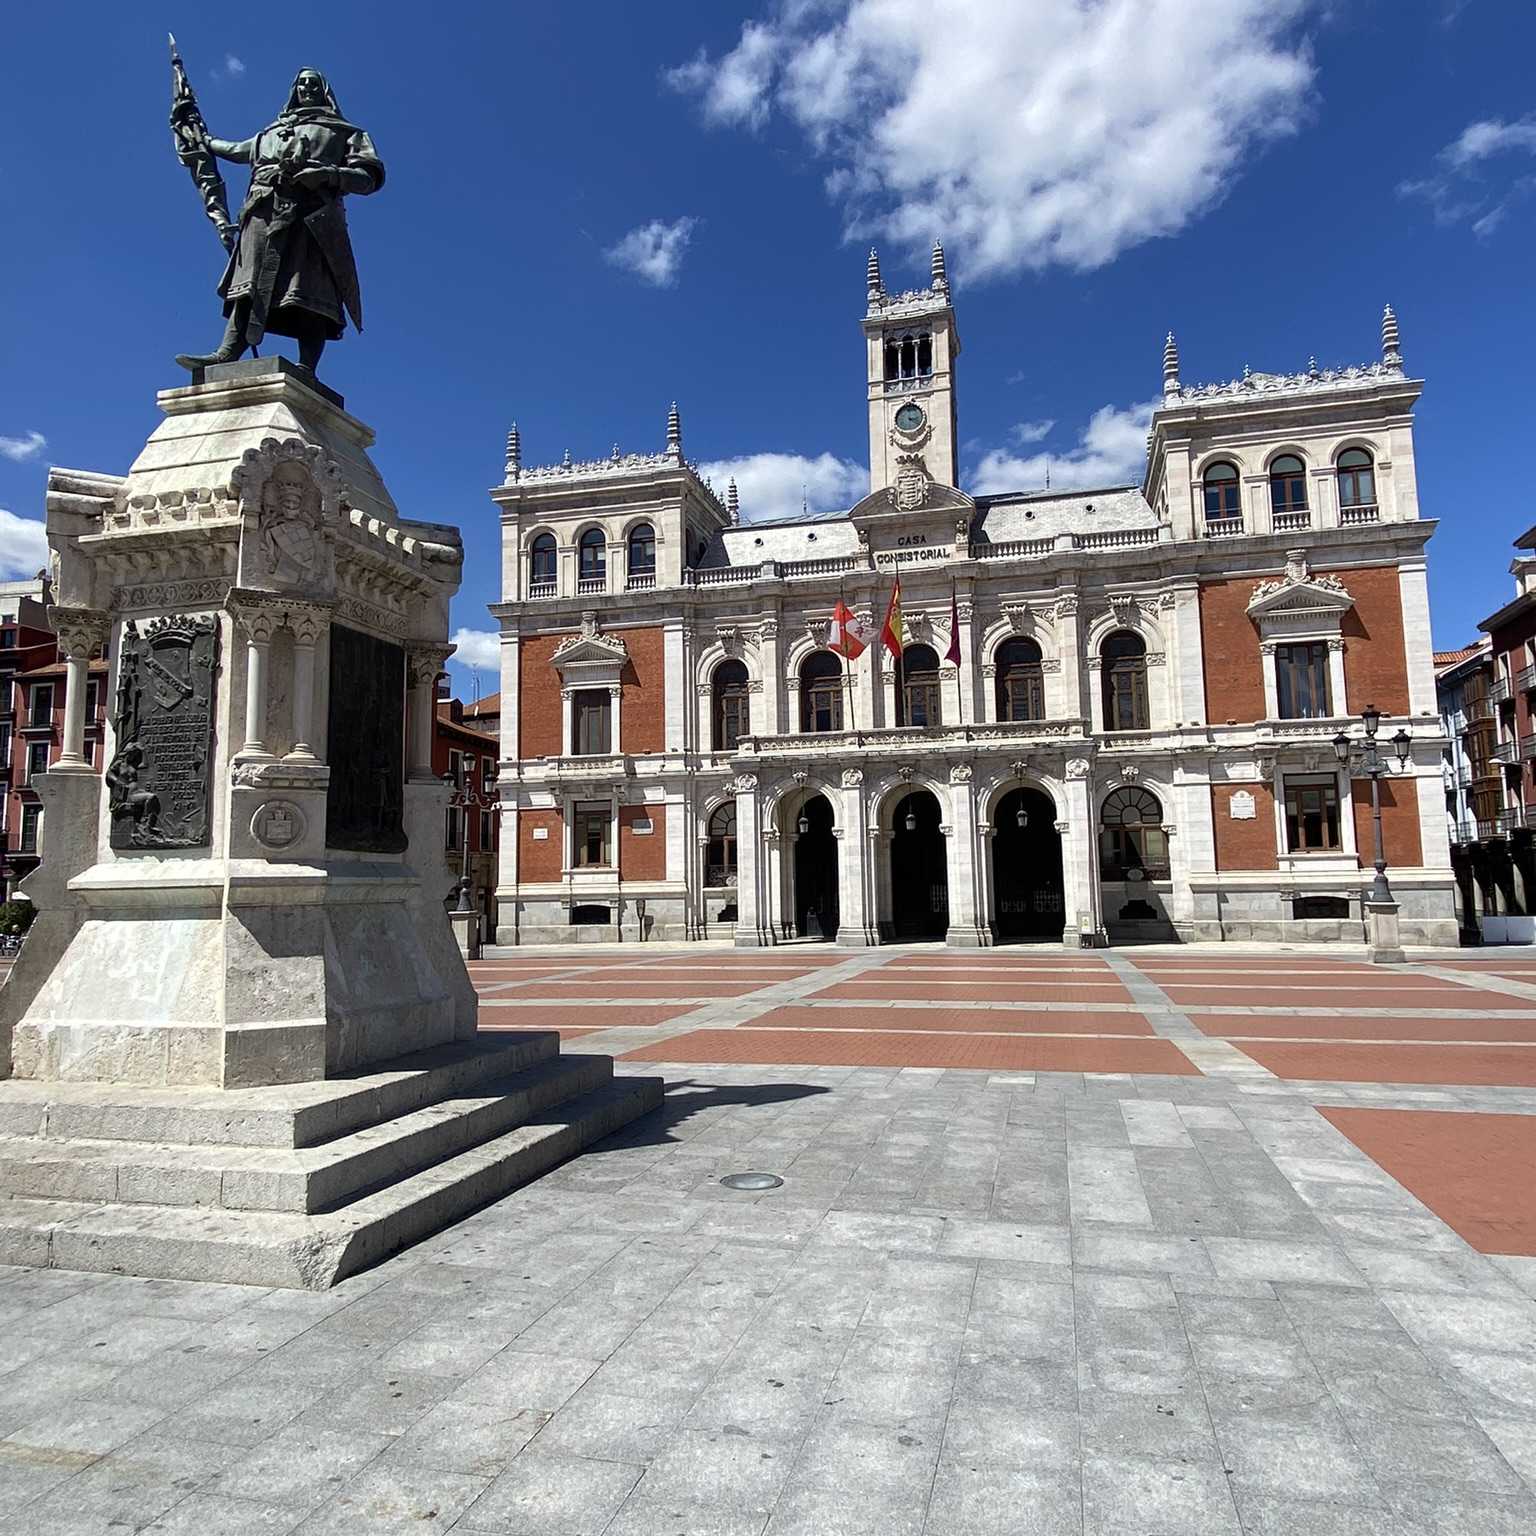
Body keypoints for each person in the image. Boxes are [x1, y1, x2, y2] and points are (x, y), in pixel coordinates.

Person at [175, 68, 384, 375]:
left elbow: (368, 178)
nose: (308, 88)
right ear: (294, 90)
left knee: (309, 290)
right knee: (249, 283)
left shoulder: (344, 132)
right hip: (262, 212)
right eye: (302, 83)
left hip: (312, 217)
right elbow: (236, 150)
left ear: (325, 91)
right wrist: (202, 139)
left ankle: (306, 368)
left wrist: (327, 174)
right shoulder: (271, 132)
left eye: (314, 83)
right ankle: (226, 353)